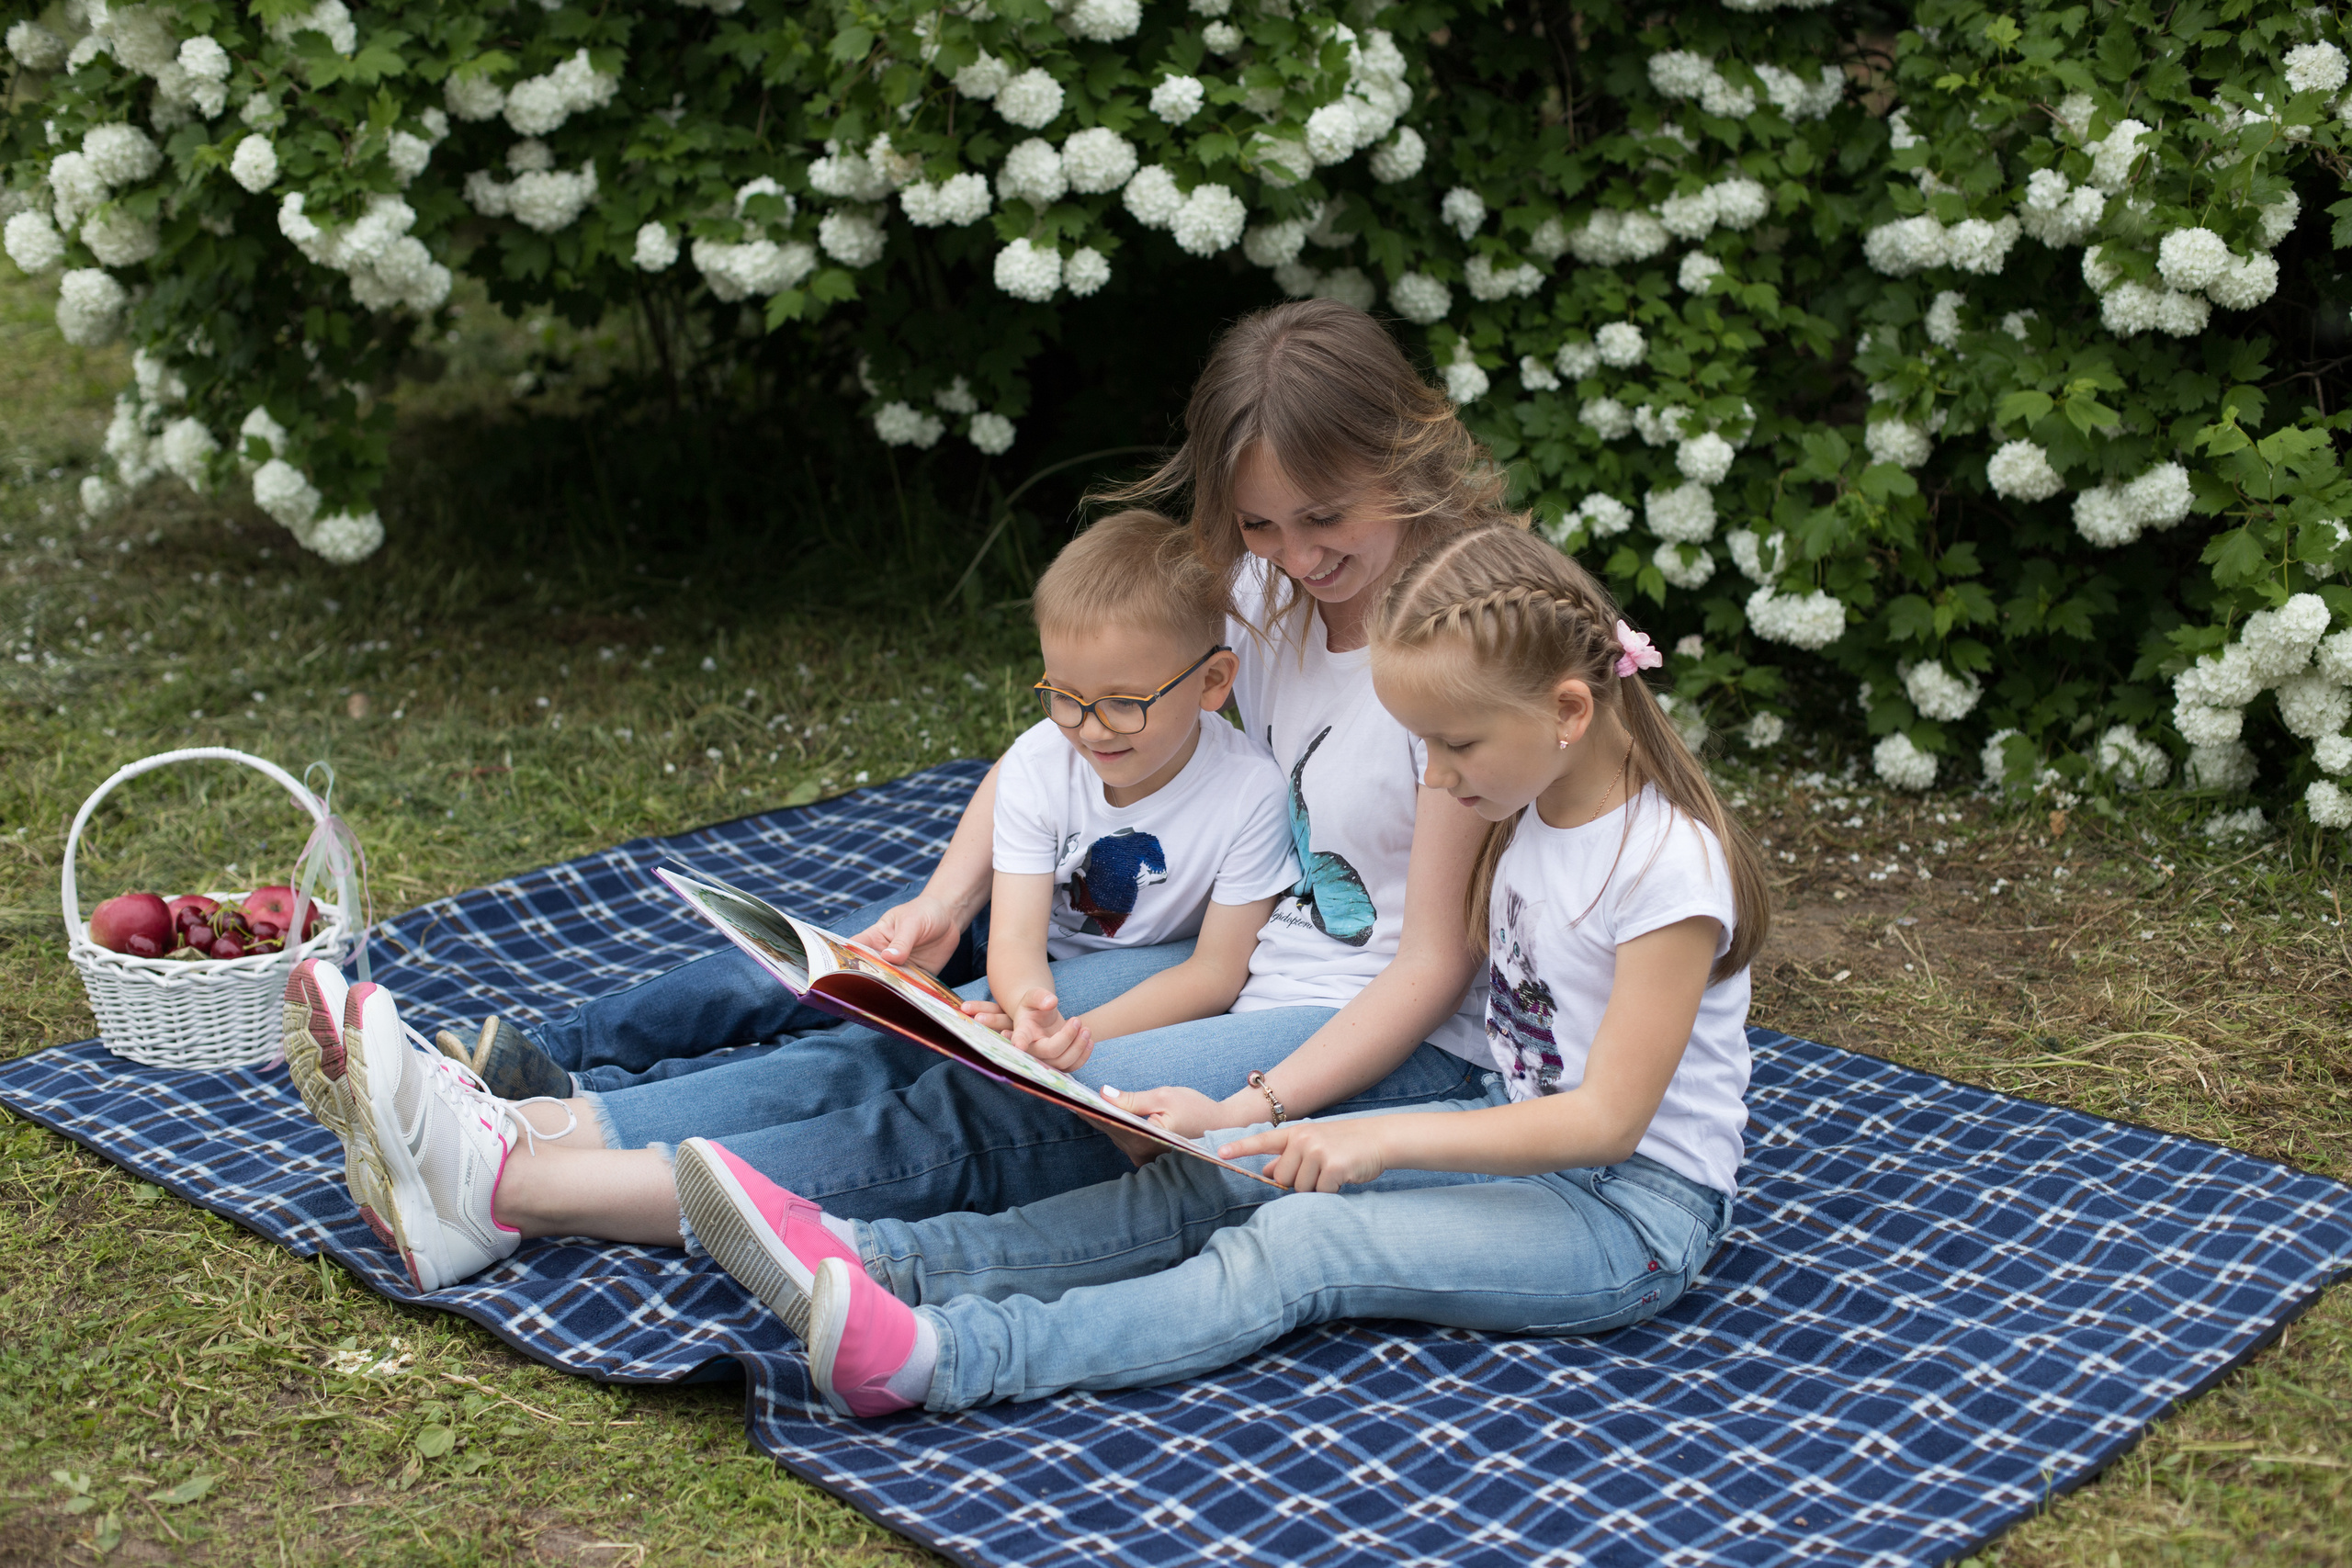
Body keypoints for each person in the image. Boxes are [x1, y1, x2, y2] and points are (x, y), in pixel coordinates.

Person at [282, 297, 1519, 1290]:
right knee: (933, 1027)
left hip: (1391, 1032)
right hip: (1254, 957)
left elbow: (1433, 968)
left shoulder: (1458, 654)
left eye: (1325, 518)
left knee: (989, 1116)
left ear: (1407, 454)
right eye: (1262, 523)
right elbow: (1068, 733)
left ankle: (510, 1186)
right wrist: (953, 896)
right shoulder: (1266, 597)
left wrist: (1253, 1101)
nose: (1298, 554)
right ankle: (541, 1126)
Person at [679, 522, 1772, 1416]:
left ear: (1570, 712)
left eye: (1451, 749)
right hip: (1511, 1131)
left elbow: (1605, 1125)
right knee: (1215, 1171)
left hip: (1627, 1216)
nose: (1431, 778)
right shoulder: (1522, 796)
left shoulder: (1668, 871)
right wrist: (1236, 1111)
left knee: (1300, 1243)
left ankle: (944, 1357)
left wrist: (1374, 1136)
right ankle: (884, 1261)